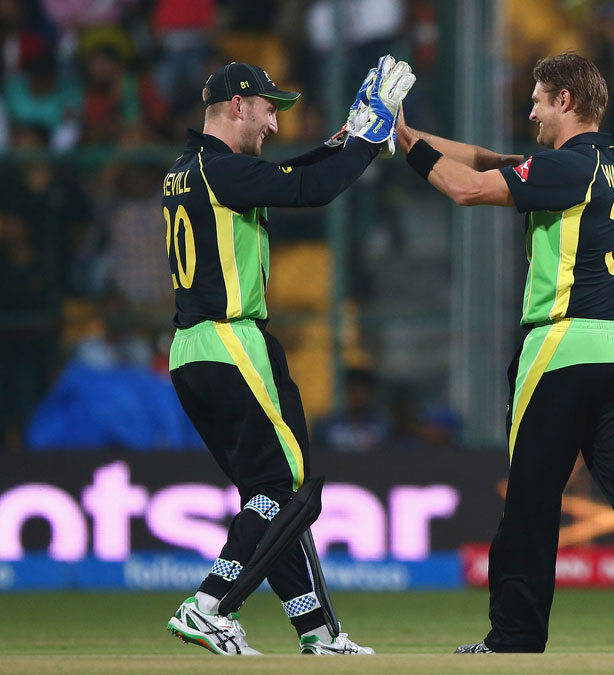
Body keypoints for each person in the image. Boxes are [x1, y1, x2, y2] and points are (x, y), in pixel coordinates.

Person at [396, 52, 614, 654]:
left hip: (563, 350)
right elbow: (491, 162)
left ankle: (515, 637)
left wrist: (405, 145)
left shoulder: (563, 167)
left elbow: (469, 188)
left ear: (566, 102)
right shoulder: (612, 163)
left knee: (529, 497)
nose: (530, 110)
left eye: (538, 99)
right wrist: (400, 132)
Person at [162, 57, 414, 655]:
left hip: (193, 348)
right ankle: (209, 605)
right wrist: (368, 140)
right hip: (230, 339)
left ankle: (318, 633)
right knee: (286, 487)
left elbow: (289, 175)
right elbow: (307, 189)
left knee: (270, 498)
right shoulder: (219, 169)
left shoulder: (195, 168)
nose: (273, 123)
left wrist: (348, 142)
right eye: (269, 108)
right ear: (238, 105)